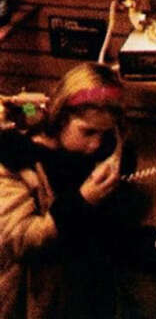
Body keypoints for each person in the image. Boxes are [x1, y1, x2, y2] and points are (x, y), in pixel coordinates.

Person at [0, 62, 127, 319]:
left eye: (105, 134)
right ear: (61, 118)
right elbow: (21, 240)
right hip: (37, 301)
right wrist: (81, 203)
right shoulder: (16, 163)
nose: (96, 144)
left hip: (82, 292)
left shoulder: (94, 152)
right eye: (88, 131)